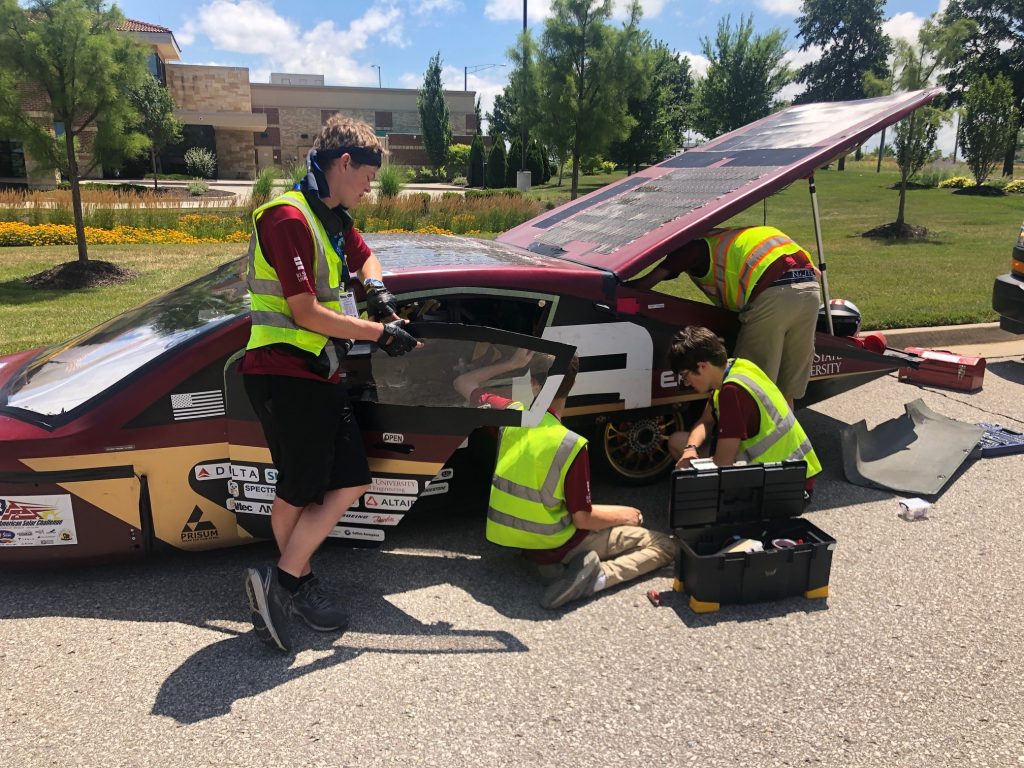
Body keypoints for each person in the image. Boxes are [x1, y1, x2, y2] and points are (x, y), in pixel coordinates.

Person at [240, 114, 420, 652]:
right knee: (299, 488)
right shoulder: (288, 217)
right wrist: (380, 331)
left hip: (320, 374)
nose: (371, 185)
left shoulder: (330, 215)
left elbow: (364, 254)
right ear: (344, 163)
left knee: (349, 480)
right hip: (283, 371)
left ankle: (284, 580)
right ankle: (295, 583)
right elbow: (305, 311)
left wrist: (379, 290)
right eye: (367, 175)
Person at [453, 350, 677, 610]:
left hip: (515, 540)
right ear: (573, 383)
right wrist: (626, 515)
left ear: (534, 383)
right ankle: (595, 578)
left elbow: (463, 383)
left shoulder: (511, 416)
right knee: (663, 545)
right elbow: (583, 518)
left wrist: (511, 363)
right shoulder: (570, 444)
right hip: (555, 543)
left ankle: (550, 567)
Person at [627, 226, 821, 406]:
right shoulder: (730, 238)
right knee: (786, 388)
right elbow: (817, 273)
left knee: (750, 382)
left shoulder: (692, 247)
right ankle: (788, 437)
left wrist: (616, 294)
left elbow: (643, 285)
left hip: (774, 294)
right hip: (810, 289)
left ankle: (746, 438)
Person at [666, 326, 821, 498]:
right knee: (677, 442)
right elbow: (706, 421)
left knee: (695, 485)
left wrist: (692, 474)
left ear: (702, 366)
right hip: (777, 470)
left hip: (788, 485)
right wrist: (690, 449)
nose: (686, 383)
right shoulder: (735, 367)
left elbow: (722, 463)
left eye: (686, 376)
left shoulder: (732, 392)